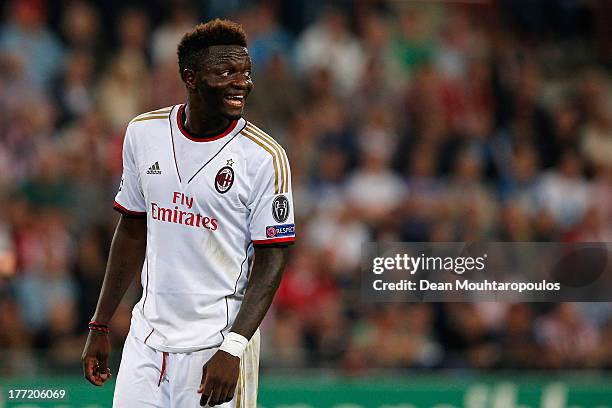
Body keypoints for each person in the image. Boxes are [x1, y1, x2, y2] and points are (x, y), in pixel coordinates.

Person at [81, 19, 295, 408]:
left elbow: (273, 256)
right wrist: (100, 323)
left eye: (245, 72)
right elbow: (131, 227)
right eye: (226, 72)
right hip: (146, 342)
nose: (241, 83)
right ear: (191, 78)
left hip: (216, 346)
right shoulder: (143, 133)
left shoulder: (265, 157)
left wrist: (234, 348)